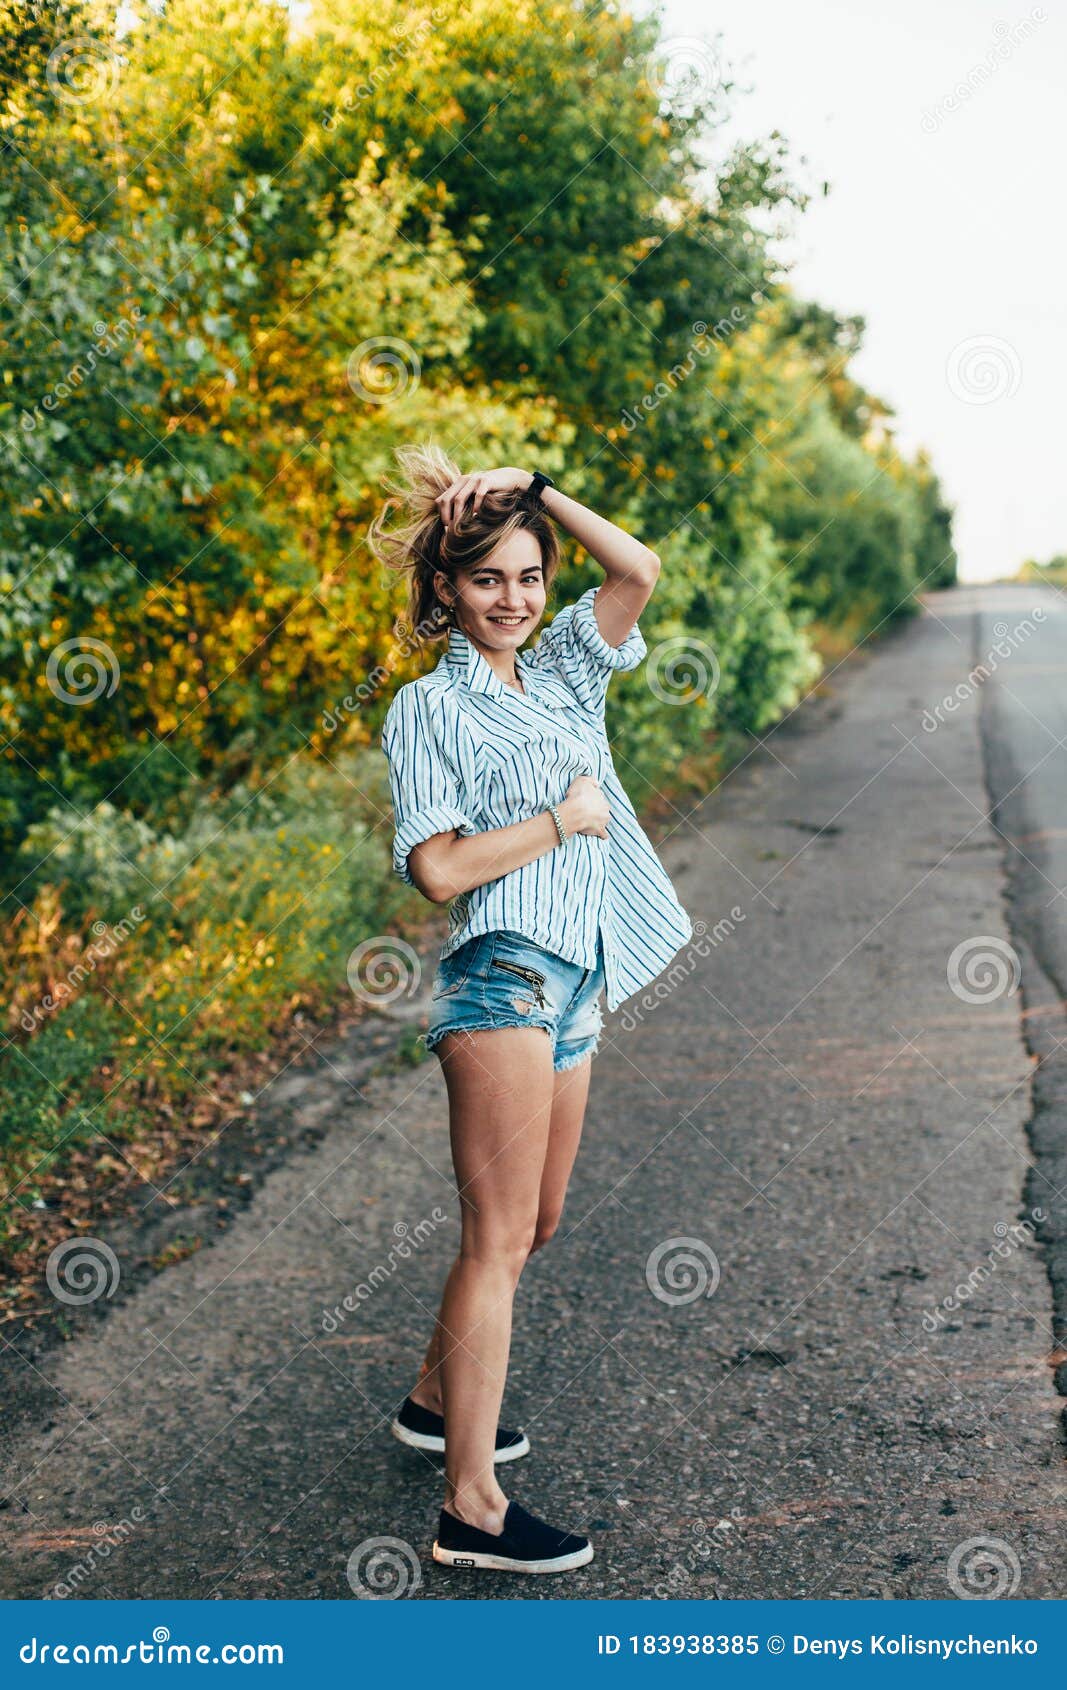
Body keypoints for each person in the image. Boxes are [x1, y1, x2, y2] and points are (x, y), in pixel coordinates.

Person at [371, 446, 693, 1575]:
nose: (510, 599)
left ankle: (429, 1398)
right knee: (494, 1238)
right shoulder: (426, 709)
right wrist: (562, 821)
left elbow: (639, 568)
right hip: (502, 974)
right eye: (485, 579)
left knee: (534, 1225)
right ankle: (472, 1506)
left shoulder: (560, 673)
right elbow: (439, 872)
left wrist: (534, 487)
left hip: (577, 984)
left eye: (527, 576)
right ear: (444, 594)